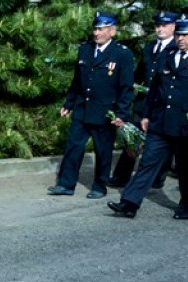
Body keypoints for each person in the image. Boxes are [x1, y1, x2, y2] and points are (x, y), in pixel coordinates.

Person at [108, 14, 188, 219]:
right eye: (178, 34)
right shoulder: (167, 55)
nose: (180, 39)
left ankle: (187, 205)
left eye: (186, 35)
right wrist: (146, 114)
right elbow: (155, 89)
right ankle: (129, 203)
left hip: (186, 124)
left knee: (187, 168)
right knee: (147, 163)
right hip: (160, 120)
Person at [47, 11, 135, 199]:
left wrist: (122, 113)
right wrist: (69, 102)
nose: (96, 33)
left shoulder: (122, 54)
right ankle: (66, 184)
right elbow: (77, 80)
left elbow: (126, 87)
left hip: (105, 111)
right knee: (73, 146)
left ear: (112, 31)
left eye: (101, 29)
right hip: (82, 107)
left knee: (103, 150)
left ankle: (99, 186)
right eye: (95, 29)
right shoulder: (85, 49)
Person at [109, 10, 176, 188]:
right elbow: (139, 74)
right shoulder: (150, 47)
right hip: (143, 100)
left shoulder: (176, 48)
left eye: (164, 25)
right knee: (131, 136)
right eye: (158, 25)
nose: (160, 29)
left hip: (163, 101)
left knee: (163, 139)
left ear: (173, 27)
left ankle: (158, 177)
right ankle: (121, 176)